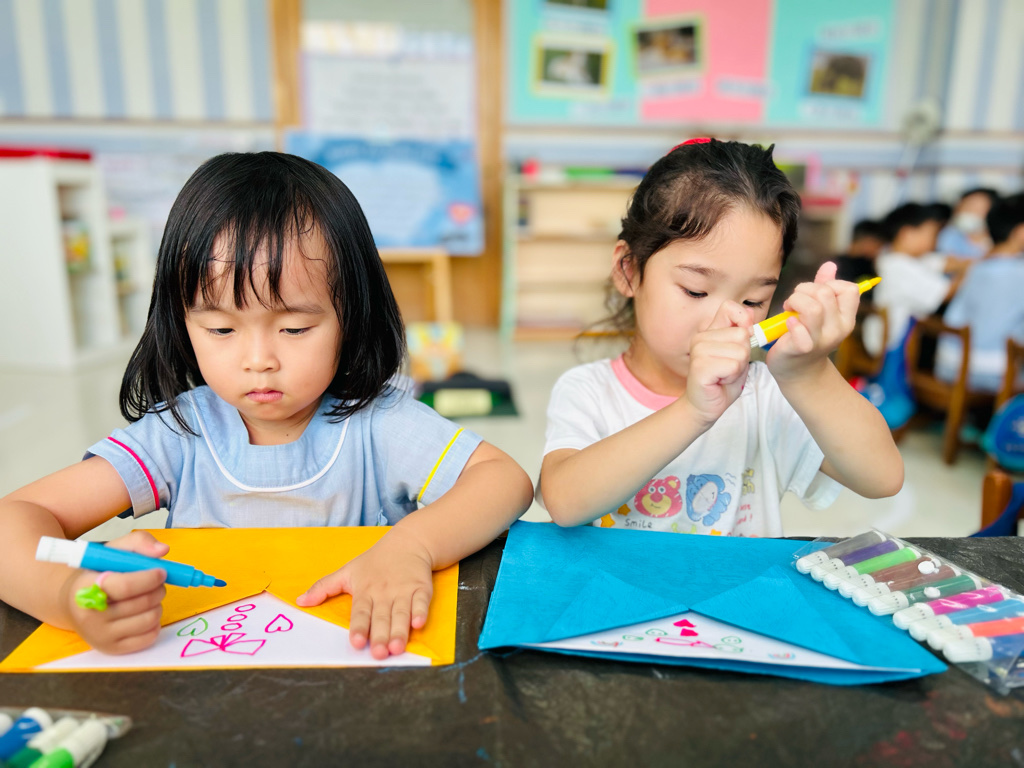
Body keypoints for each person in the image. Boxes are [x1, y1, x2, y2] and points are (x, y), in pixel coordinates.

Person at [0, 153, 533, 659]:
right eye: (221, 329)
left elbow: (504, 480)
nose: (259, 361)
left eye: (294, 328)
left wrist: (412, 547)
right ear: (181, 323)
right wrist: (69, 597)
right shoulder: (179, 433)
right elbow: (12, 521)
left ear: (352, 316)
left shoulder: (377, 422)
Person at [535, 139, 903, 538]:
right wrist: (693, 411)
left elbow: (881, 478)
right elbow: (564, 503)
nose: (727, 320)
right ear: (628, 270)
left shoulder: (765, 394)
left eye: (753, 300)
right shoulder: (589, 390)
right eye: (695, 291)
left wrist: (809, 374)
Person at [935, 193, 1024, 392]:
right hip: (991, 374)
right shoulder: (1019, 272)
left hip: (948, 364)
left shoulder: (976, 266)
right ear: (1020, 232)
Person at [870, 202, 969, 353]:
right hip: (893, 346)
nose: (935, 241)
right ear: (907, 234)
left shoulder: (895, 257)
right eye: (932, 234)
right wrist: (969, 272)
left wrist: (969, 263)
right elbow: (946, 293)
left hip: (888, 339)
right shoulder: (899, 267)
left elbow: (944, 262)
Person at [936, 187, 999, 259]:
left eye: (977, 209)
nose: (970, 212)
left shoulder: (996, 241)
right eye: (968, 207)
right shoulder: (946, 236)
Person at [834, 218, 888, 295]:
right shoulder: (837, 265)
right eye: (878, 245)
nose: (878, 250)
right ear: (868, 241)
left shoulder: (869, 264)